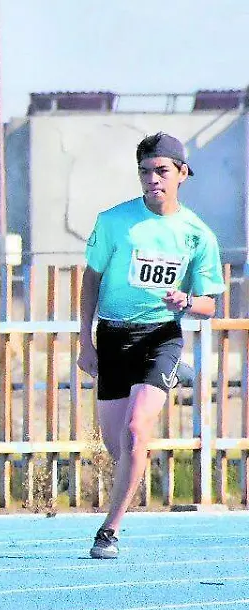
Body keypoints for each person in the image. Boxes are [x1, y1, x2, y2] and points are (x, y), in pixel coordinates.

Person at [79, 132, 224, 559]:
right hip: (112, 335)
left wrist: (187, 301)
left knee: (134, 430)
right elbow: (90, 279)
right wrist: (85, 342)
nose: (152, 179)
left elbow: (210, 304)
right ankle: (131, 480)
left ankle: (110, 529)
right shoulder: (113, 222)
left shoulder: (198, 235)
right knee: (117, 446)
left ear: (182, 174)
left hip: (160, 336)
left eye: (161, 171)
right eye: (145, 171)